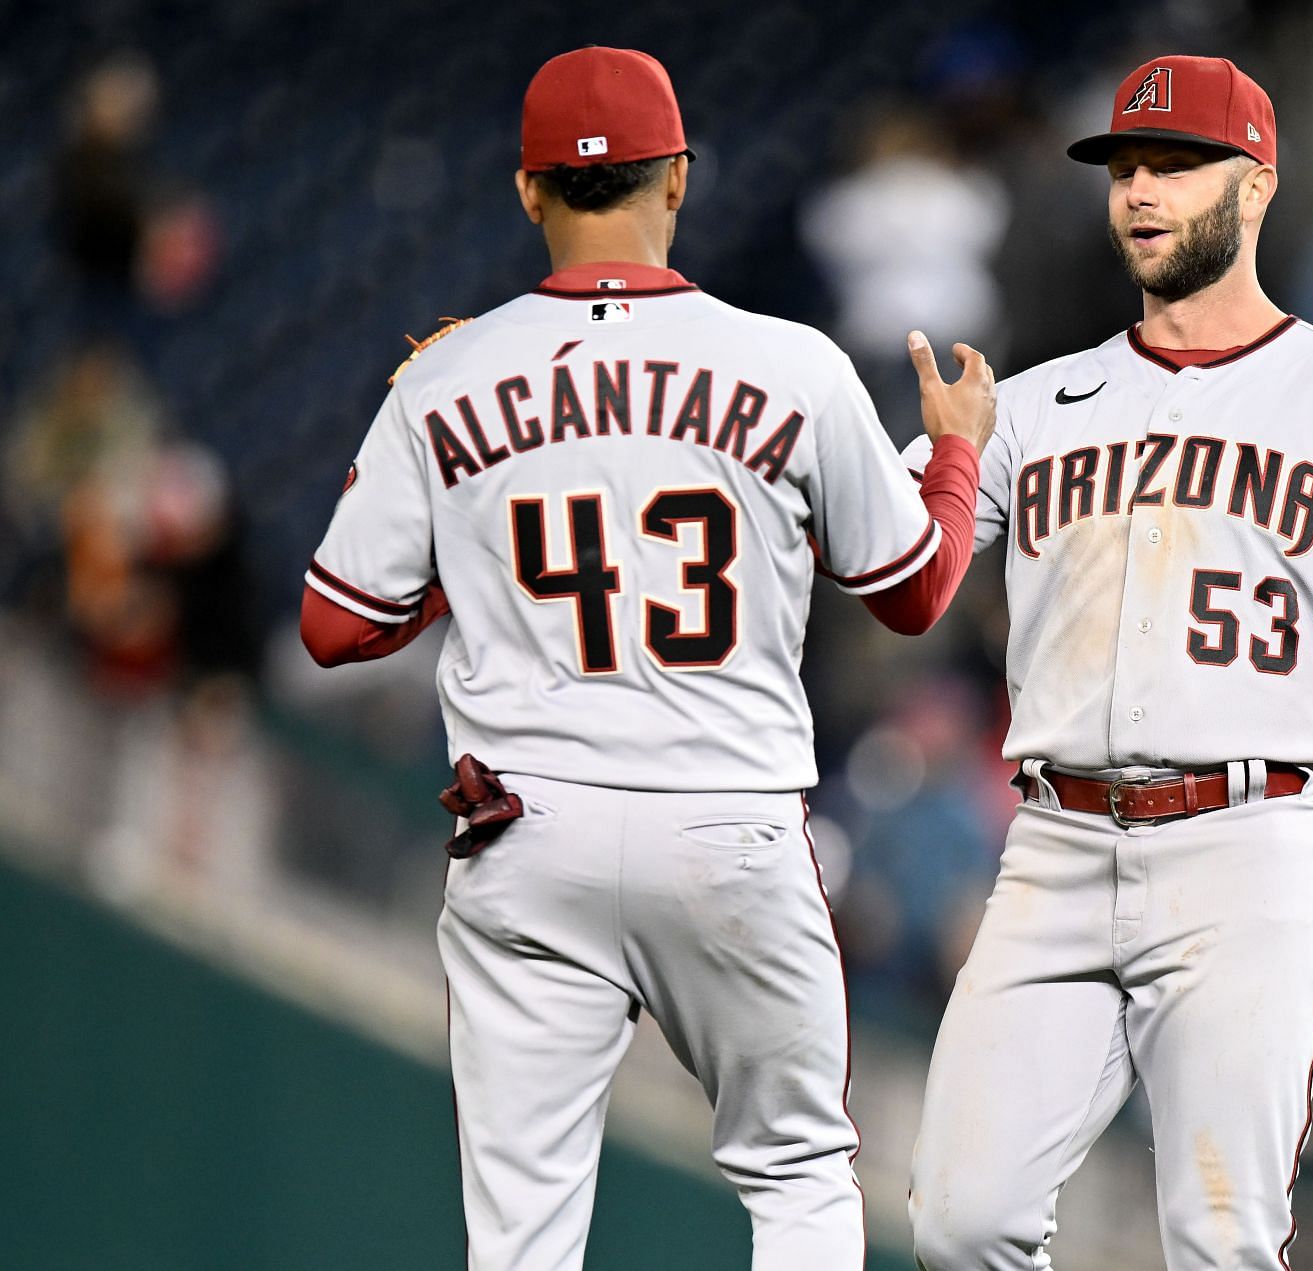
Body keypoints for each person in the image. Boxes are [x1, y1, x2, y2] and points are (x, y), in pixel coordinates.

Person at [298, 47, 995, 1271]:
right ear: (678, 178)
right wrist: (951, 456)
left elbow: (335, 621)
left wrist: (472, 551)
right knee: (798, 1174)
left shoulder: (447, 378)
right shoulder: (795, 364)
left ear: (527, 191)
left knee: (522, 1230)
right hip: (729, 820)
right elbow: (916, 590)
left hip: (528, 826)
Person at [903, 55, 1313, 1269]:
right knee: (961, 1218)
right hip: (1056, 844)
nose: (1141, 191)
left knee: (1218, 1238)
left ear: (1255, 187)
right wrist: (949, 459)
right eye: (1125, 168)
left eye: (1176, 166)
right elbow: (907, 587)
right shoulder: (1036, 406)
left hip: (1249, 846)